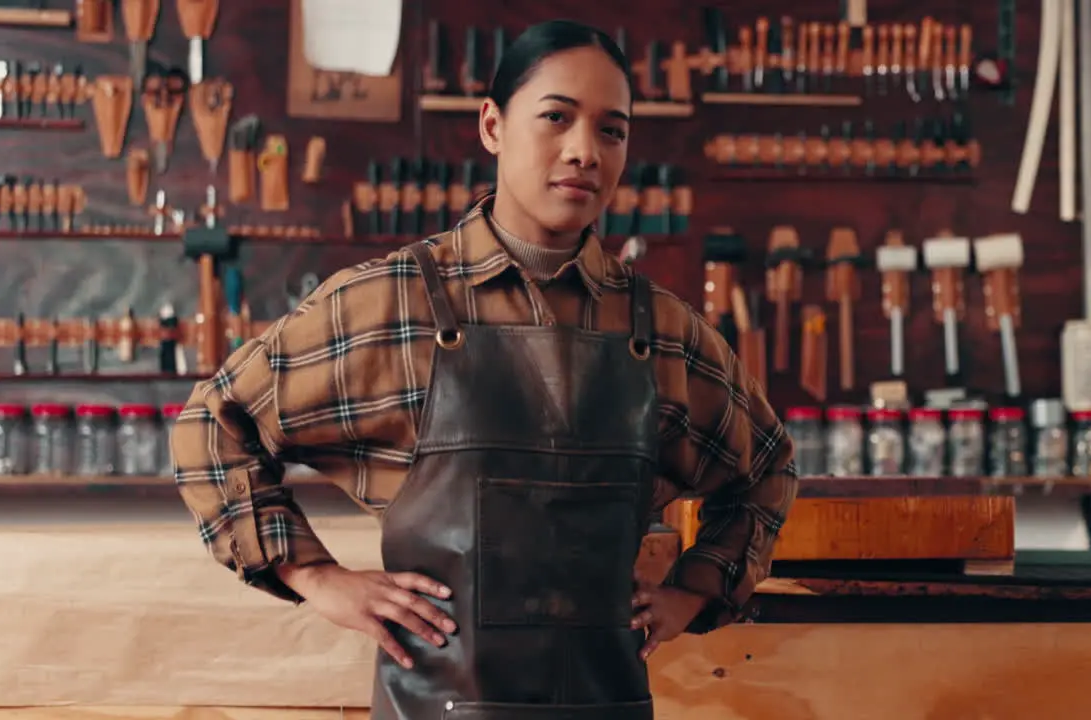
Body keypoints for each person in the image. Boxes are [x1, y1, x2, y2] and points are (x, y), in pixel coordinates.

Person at [171, 19, 798, 720]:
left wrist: (693, 591)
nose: (584, 151)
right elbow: (212, 423)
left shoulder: (663, 331)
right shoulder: (389, 304)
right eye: (556, 117)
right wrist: (313, 575)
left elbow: (766, 465)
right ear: (493, 126)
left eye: (612, 131)